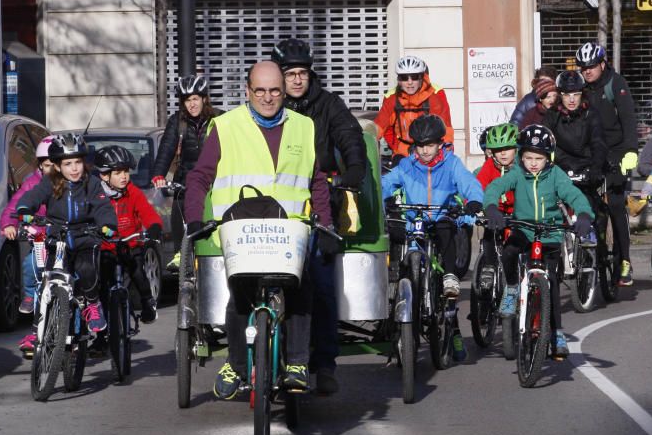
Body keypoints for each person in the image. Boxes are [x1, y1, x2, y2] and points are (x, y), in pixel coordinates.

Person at [184, 60, 336, 399]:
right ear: (248, 91)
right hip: (242, 229)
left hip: (290, 229)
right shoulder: (224, 126)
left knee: (301, 288)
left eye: (275, 91)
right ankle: (237, 365)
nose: (268, 98)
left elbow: (316, 181)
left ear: (285, 92)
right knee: (239, 294)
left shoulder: (304, 126)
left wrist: (325, 223)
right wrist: (194, 219)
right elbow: (198, 178)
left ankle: (297, 363)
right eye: (260, 91)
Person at [271, 37, 367, 394]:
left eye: (302, 73)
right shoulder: (268, 107)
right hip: (271, 206)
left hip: (320, 202)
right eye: (290, 74)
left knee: (322, 285)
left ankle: (325, 363)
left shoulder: (328, 105)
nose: (297, 80)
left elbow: (349, 136)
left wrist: (355, 167)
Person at [483, 124, 593, 360]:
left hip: (550, 233)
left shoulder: (555, 175)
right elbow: (495, 187)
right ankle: (512, 287)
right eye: (528, 157)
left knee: (551, 282)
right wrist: (491, 207)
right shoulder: (516, 173)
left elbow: (573, 194)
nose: (533, 162)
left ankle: (556, 332)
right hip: (524, 229)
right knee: (510, 252)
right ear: (521, 156)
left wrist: (584, 214)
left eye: (539, 158)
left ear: (548, 158)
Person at [382, 114, 483, 362]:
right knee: (399, 243)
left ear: (440, 143)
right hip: (414, 221)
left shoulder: (451, 163)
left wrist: (474, 201)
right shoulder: (407, 165)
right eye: (420, 145)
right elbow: (386, 182)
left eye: (430, 145)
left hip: (441, 216)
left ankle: (449, 276)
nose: (425, 151)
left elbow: (469, 183)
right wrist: (379, 197)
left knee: (446, 229)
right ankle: (399, 294)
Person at [16, 133, 118, 355]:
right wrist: (25, 210)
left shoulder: (92, 184)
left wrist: (107, 225)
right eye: (68, 164)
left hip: (85, 239)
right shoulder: (49, 183)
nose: (74, 168)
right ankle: (37, 331)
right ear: (57, 166)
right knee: (47, 283)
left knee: (87, 269)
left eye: (78, 162)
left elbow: (103, 208)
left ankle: (92, 303)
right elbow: (31, 197)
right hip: (58, 240)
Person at [576, 41, 639, 287]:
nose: (587, 71)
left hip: (617, 152)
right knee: (589, 203)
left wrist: (631, 152)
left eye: (591, 66)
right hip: (593, 153)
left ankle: (624, 260)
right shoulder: (580, 89)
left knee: (614, 204)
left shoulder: (616, 84)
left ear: (602, 64)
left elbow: (629, 121)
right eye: (583, 67)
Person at [151, 74, 220, 268]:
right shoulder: (178, 121)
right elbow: (166, 148)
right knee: (179, 213)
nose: (192, 104)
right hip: (187, 180)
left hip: (215, 181)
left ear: (204, 98)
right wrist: (158, 175)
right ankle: (182, 253)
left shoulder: (219, 118)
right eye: (187, 100)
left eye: (195, 99)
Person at [94, 145, 165, 324]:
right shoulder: (96, 194)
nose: (124, 176)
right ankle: (102, 334)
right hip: (106, 247)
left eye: (126, 171)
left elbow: (147, 211)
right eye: (118, 173)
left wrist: (154, 226)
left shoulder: (132, 191)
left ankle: (148, 303)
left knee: (139, 275)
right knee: (102, 287)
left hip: (130, 245)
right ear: (104, 175)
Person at [1, 136, 53, 357]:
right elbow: (15, 206)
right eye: (47, 164)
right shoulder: (32, 183)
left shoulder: (71, 182)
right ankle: (31, 300)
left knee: (74, 284)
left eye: (56, 163)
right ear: (40, 164)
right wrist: (9, 224)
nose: (52, 169)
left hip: (65, 242)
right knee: (30, 266)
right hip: (41, 240)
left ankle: (74, 331)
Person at [375, 55, 453, 163]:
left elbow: (445, 128)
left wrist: (446, 151)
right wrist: (395, 147)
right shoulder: (392, 98)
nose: (409, 82)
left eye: (414, 77)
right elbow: (379, 128)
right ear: (398, 80)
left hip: (429, 151)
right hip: (403, 152)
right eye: (404, 78)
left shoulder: (434, 96)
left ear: (421, 77)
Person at [474, 123, 519, 278]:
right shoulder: (489, 165)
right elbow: (478, 186)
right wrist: (471, 202)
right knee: (489, 235)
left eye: (507, 148)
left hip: (518, 212)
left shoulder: (523, 165)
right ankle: (489, 267)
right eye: (498, 150)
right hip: (496, 211)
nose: (503, 153)